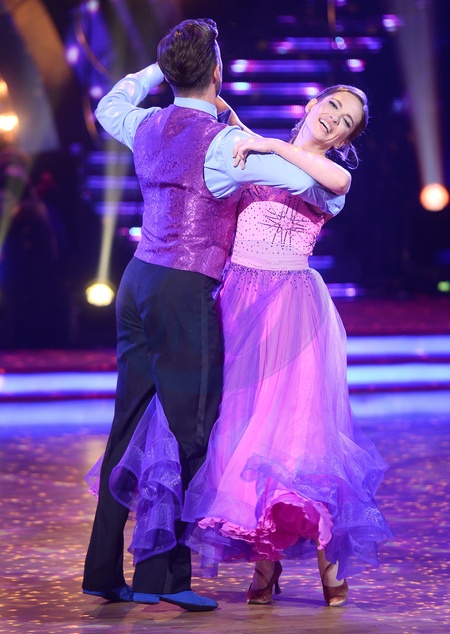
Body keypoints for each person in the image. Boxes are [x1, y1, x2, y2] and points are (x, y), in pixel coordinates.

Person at [82, 18, 346, 612]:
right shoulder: (225, 145)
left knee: (128, 428)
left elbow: (109, 104)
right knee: (192, 433)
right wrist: (268, 144)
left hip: (136, 282)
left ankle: (102, 570)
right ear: (218, 73)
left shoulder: (145, 121)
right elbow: (313, 184)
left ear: (171, 72)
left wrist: (157, 69)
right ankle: (164, 577)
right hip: (183, 291)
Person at [108, 83, 393, 608]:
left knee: (290, 436)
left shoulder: (328, 176)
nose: (335, 118)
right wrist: (224, 111)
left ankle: (325, 558)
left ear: (346, 139)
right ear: (312, 105)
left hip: (290, 309)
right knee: (236, 429)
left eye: (347, 121)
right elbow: (237, 137)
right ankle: (266, 558)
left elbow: (334, 178)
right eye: (332, 105)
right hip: (235, 300)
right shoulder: (253, 151)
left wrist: (269, 143)